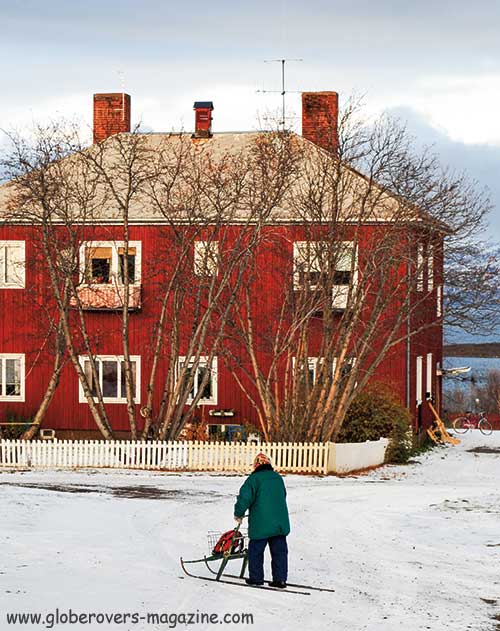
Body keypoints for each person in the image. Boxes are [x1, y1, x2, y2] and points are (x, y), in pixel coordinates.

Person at [234, 452, 290, 588]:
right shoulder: (278, 478)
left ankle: (256, 578)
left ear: (256, 465)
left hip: (261, 524)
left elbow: (244, 498)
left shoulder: (254, 479)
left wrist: (238, 513)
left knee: (256, 551)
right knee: (279, 551)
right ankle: (280, 579)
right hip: (279, 524)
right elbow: (283, 494)